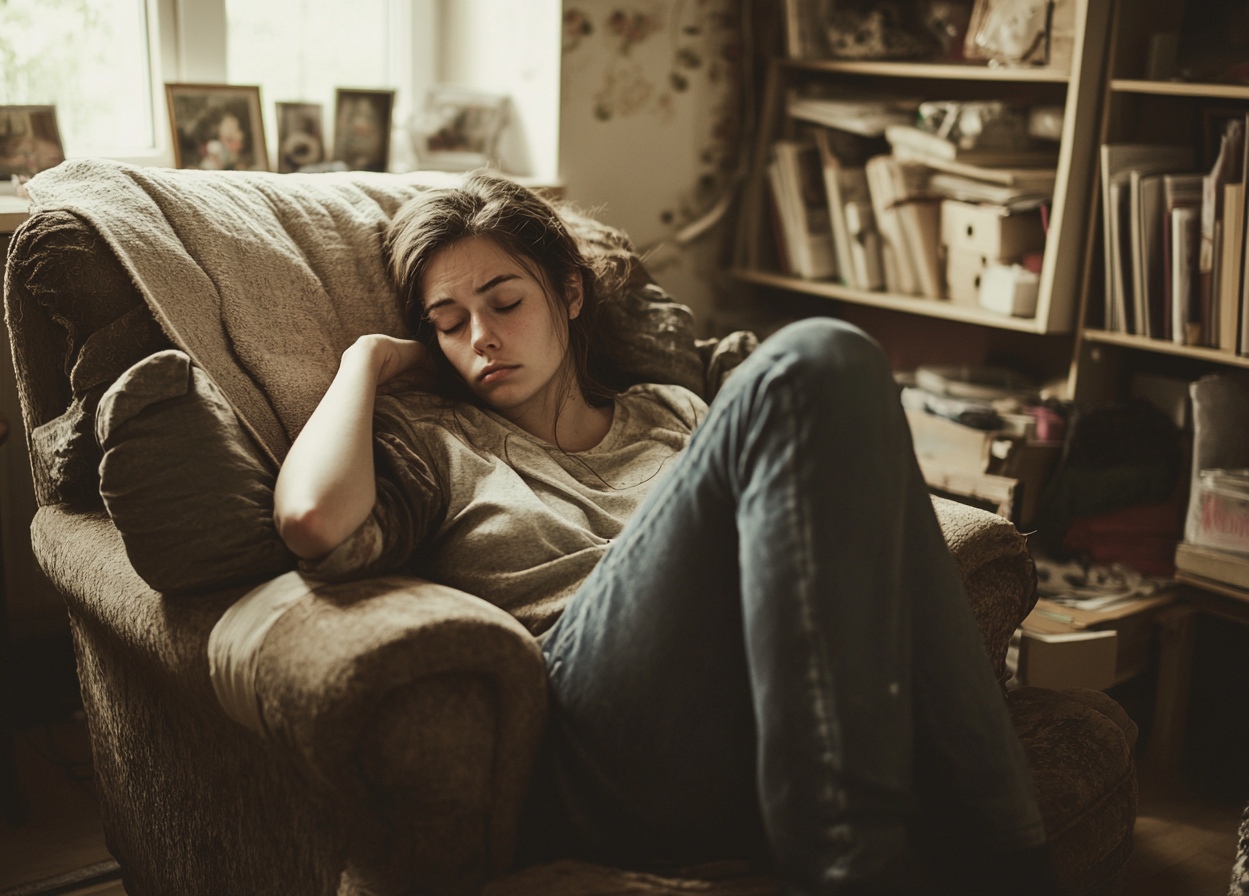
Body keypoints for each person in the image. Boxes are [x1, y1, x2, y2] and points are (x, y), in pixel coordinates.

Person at [273, 172, 1057, 895]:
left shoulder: (673, 411)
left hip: (751, 702)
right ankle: (863, 866)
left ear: (570, 294)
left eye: (504, 303)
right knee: (820, 356)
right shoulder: (438, 438)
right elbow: (313, 523)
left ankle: (1007, 863)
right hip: (598, 729)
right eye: (448, 323)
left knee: (846, 397)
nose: (478, 336)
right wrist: (366, 362)